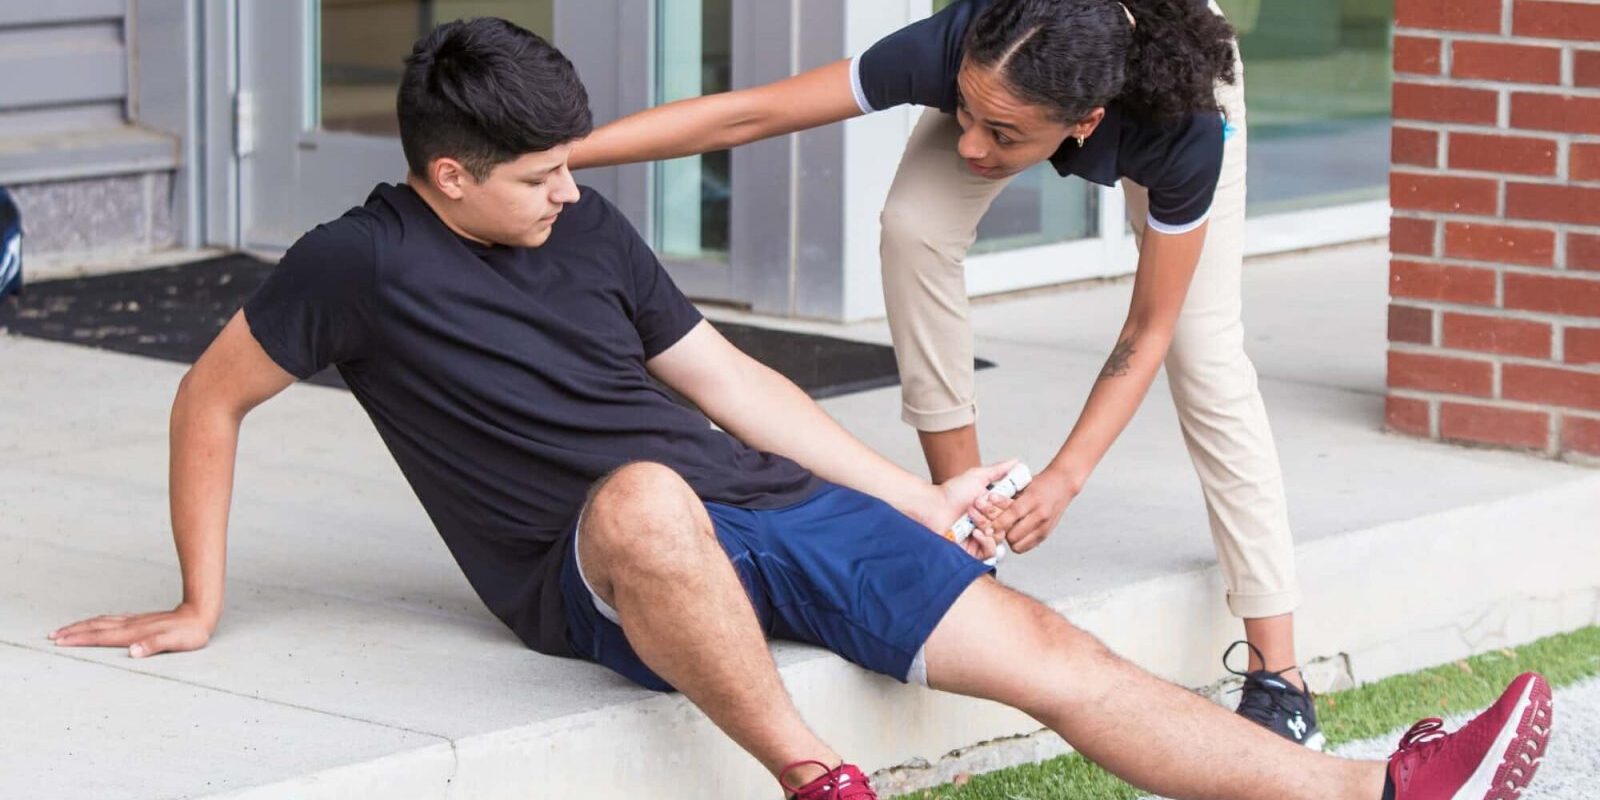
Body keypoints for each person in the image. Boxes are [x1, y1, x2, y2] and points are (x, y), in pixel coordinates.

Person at [49, 18, 1552, 800]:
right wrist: (198, 600)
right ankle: (810, 779)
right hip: (595, 563)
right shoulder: (354, 265)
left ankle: (1381, 784)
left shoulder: (584, 232)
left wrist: (913, 497)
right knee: (646, 492)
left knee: (1049, 651)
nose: (574, 189)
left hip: (754, 513)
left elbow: (730, 381)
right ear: (448, 176)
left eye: (574, 162)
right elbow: (210, 399)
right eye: (539, 173)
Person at [570, 0, 1321, 745]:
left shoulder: (1184, 128)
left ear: (1085, 123)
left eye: (997, 133)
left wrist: (1064, 476)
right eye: (961, 112)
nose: (968, 145)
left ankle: (1280, 678)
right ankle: (964, 529)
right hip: (1026, 59)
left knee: (1200, 343)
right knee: (916, 226)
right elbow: (752, 115)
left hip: (1161, 78)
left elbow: (1146, 326)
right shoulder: (970, 44)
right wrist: (564, 155)